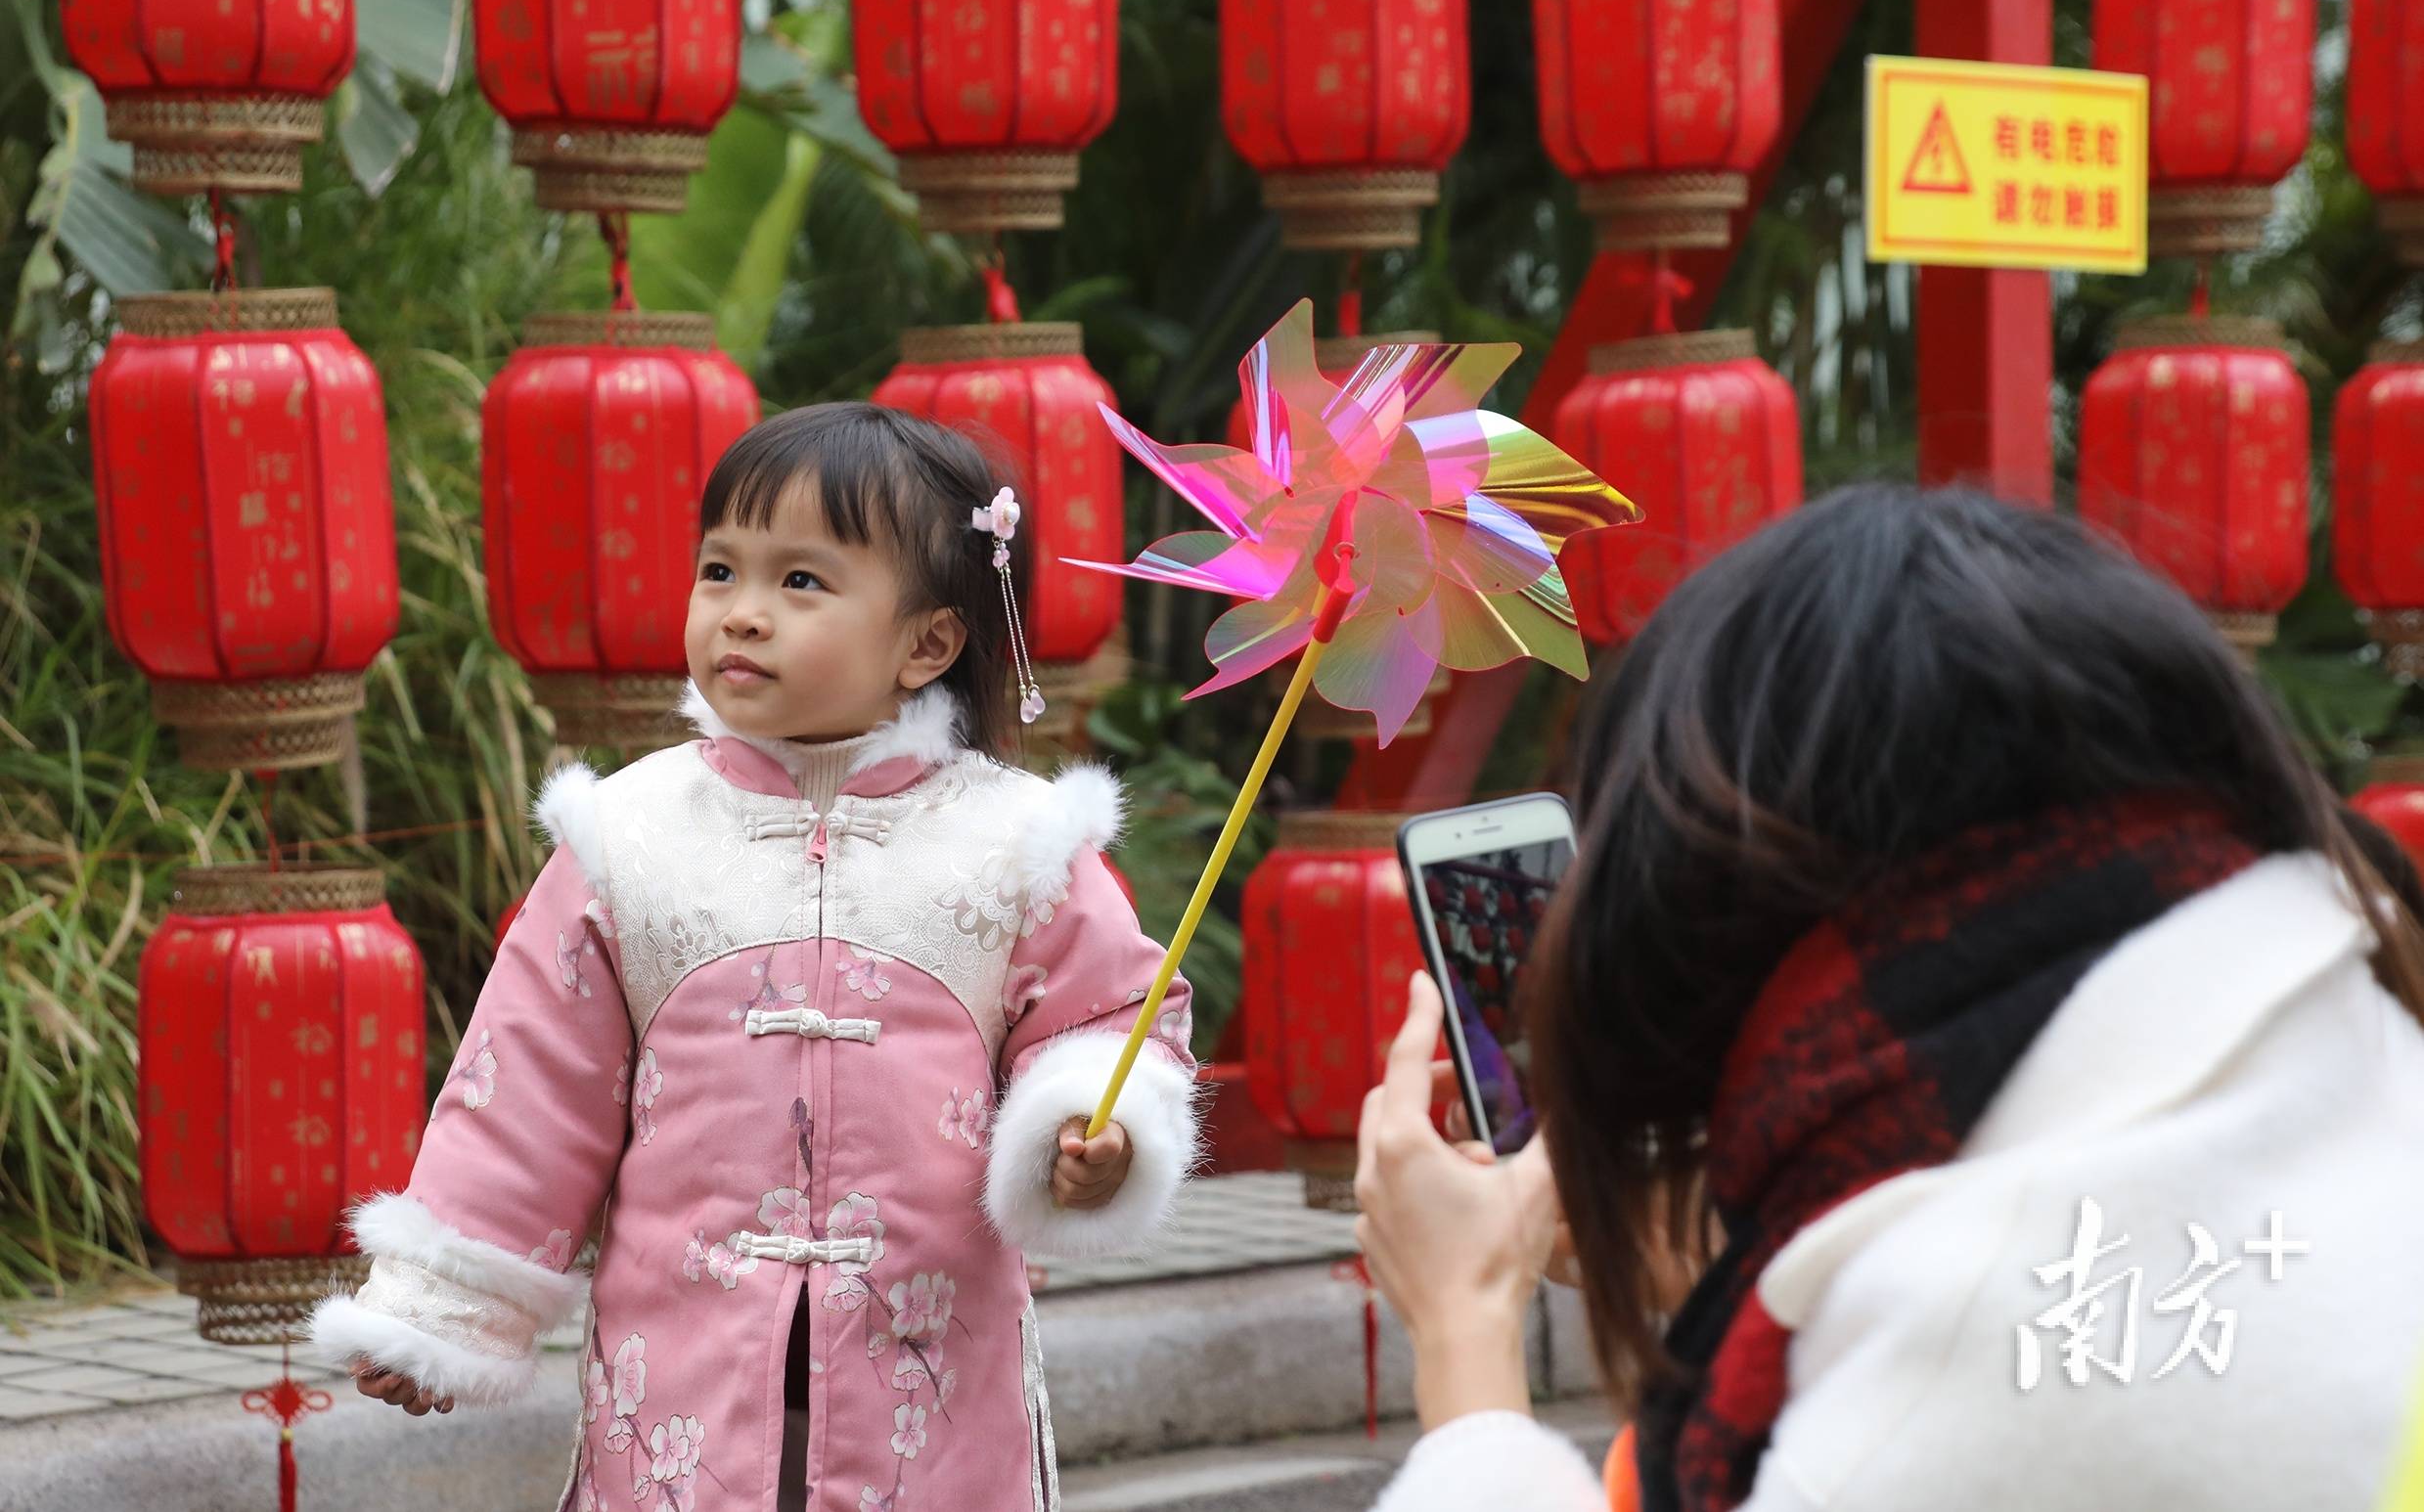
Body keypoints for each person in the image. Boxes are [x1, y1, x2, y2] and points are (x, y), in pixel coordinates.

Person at [1353, 484, 2424, 1512]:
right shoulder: (2370, 1039)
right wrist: (1730, 1249)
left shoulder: (1926, 1409)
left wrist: (1467, 1322)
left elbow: (1973, 1371)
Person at [311, 405, 1201, 1512]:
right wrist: (437, 1312)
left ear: (926, 641)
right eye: (721, 569)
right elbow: (527, 1085)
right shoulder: (628, 836)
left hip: (928, 1380)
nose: (743, 613)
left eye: (802, 583)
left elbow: (1110, 1023)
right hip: (678, 1381)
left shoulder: (1019, 843)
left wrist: (1098, 1127)